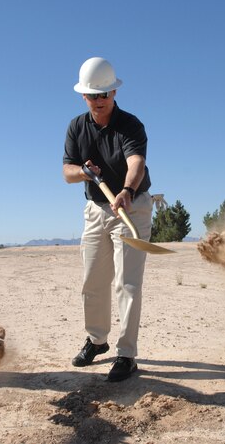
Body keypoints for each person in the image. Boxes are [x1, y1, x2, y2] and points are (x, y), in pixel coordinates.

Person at [63, 57, 153, 382]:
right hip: (96, 209)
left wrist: (127, 190)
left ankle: (126, 355)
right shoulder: (76, 127)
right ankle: (96, 341)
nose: (99, 101)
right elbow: (67, 172)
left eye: (105, 94)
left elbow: (136, 161)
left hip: (131, 208)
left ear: (114, 92)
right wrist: (84, 173)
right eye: (93, 96)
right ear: (83, 96)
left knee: (127, 283)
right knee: (92, 281)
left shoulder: (130, 125)